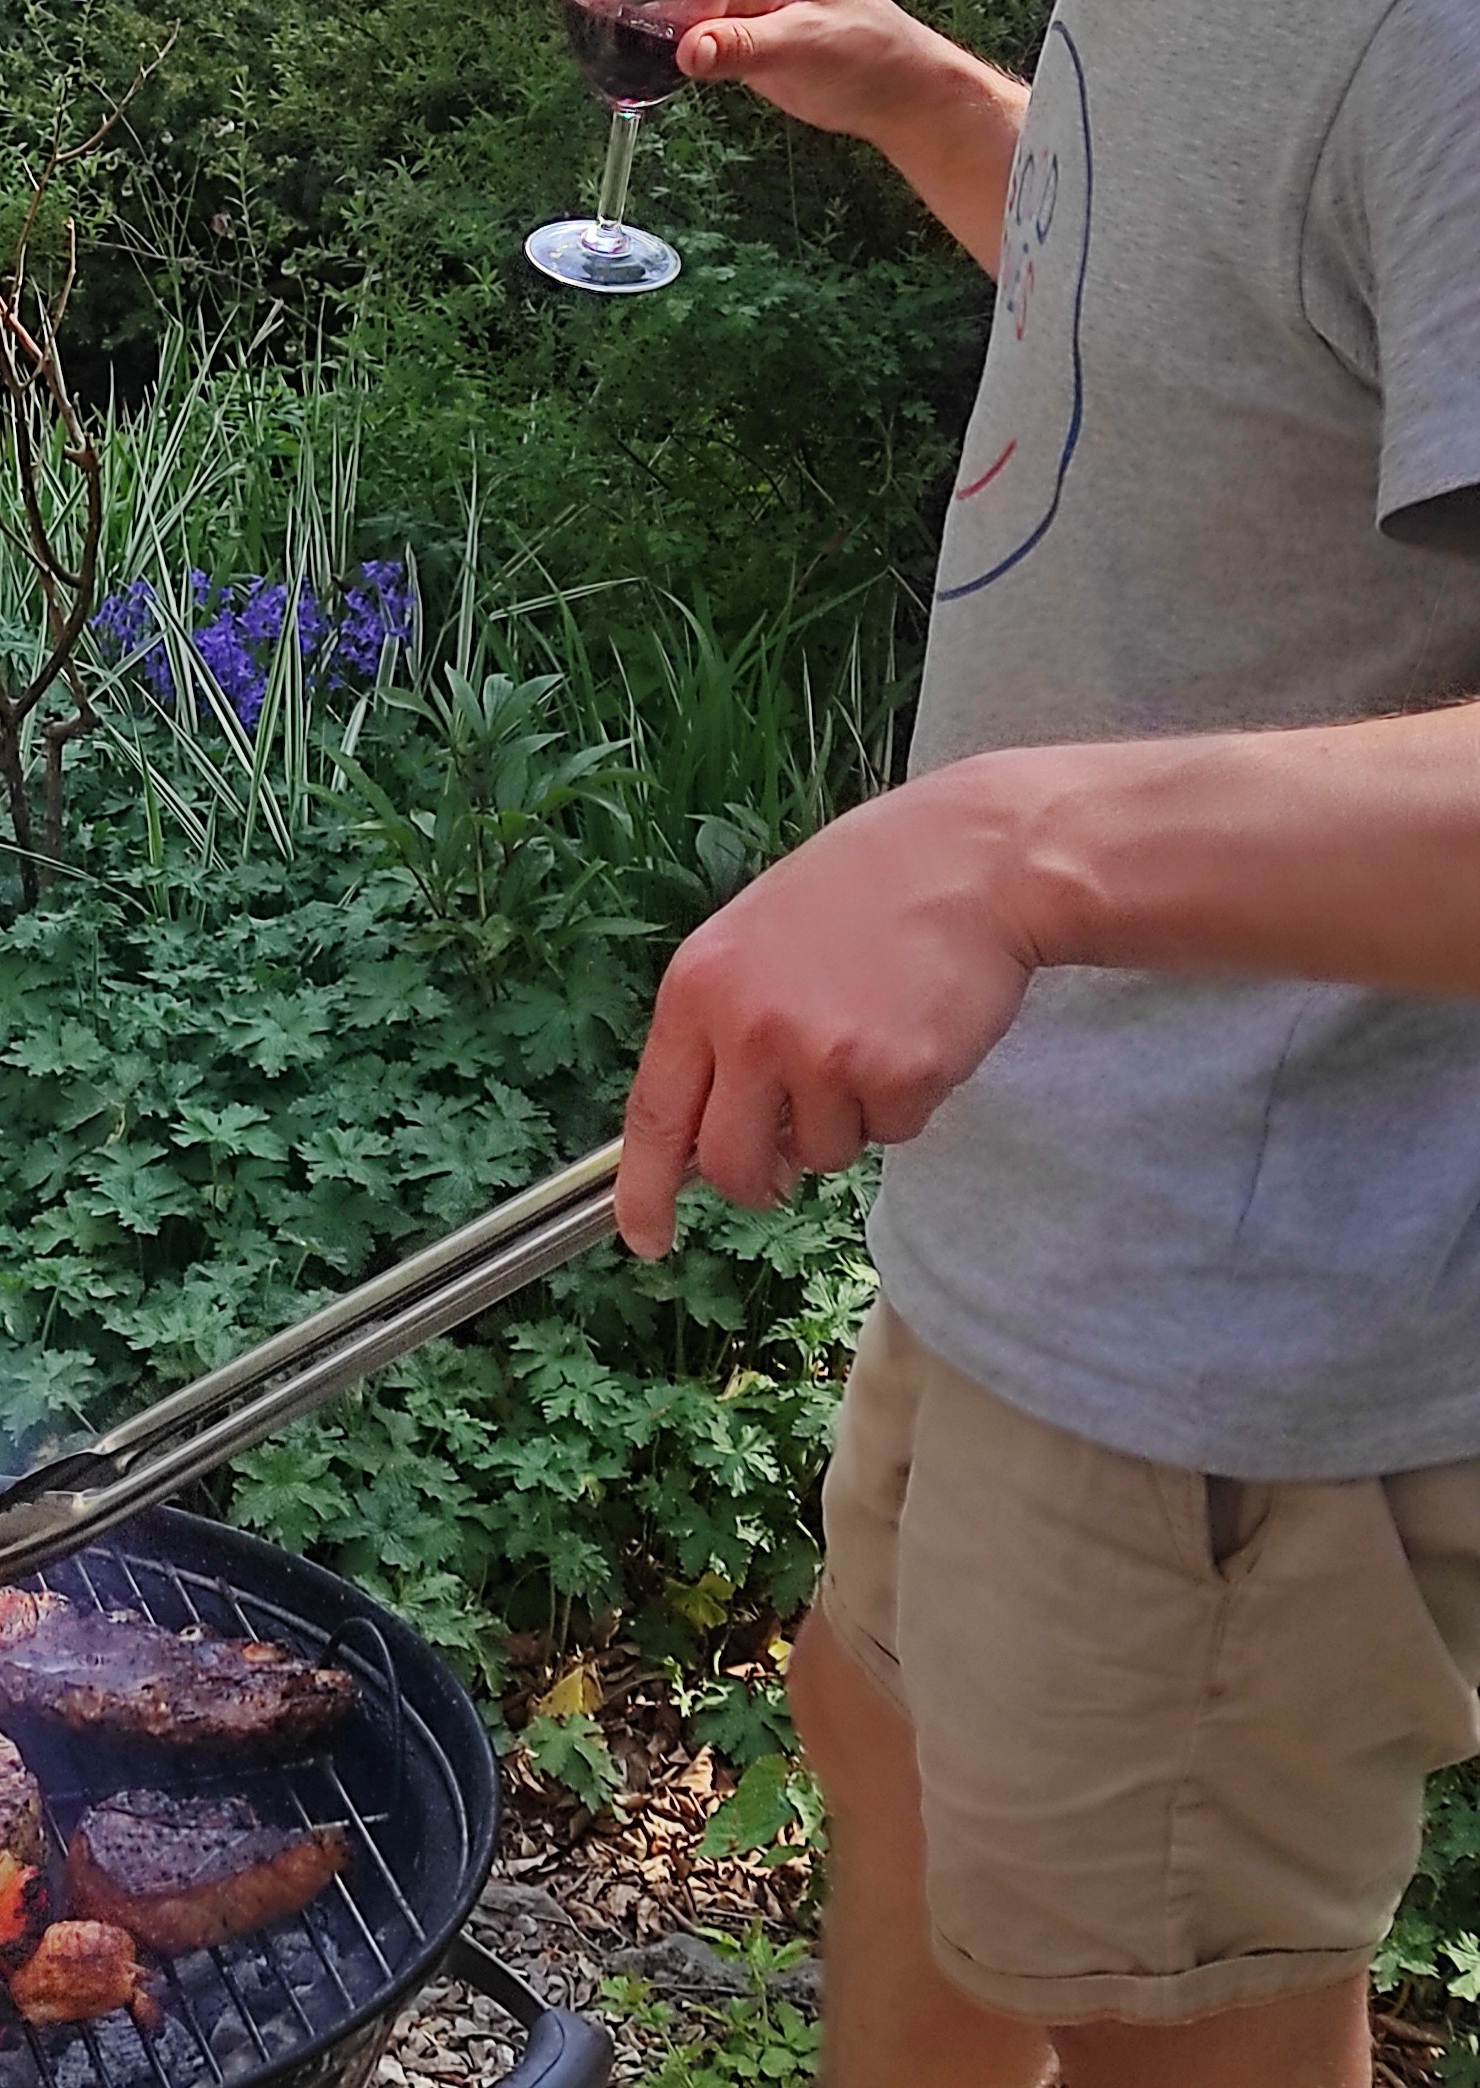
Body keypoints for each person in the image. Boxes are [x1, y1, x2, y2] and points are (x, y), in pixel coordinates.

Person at [602, 1, 1480, 2082]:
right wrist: (923, 103)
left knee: (1162, 2004)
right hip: (1031, 1217)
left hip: (1223, 1337)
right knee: (884, 1762)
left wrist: (1022, 855)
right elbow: (1225, 362)